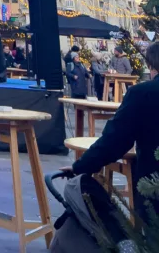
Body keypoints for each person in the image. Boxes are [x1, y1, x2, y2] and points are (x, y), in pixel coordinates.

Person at [65, 41, 159, 220]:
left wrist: (79, 166)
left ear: (151, 65)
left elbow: (114, 140)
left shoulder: (142, 93)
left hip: (153, 187)